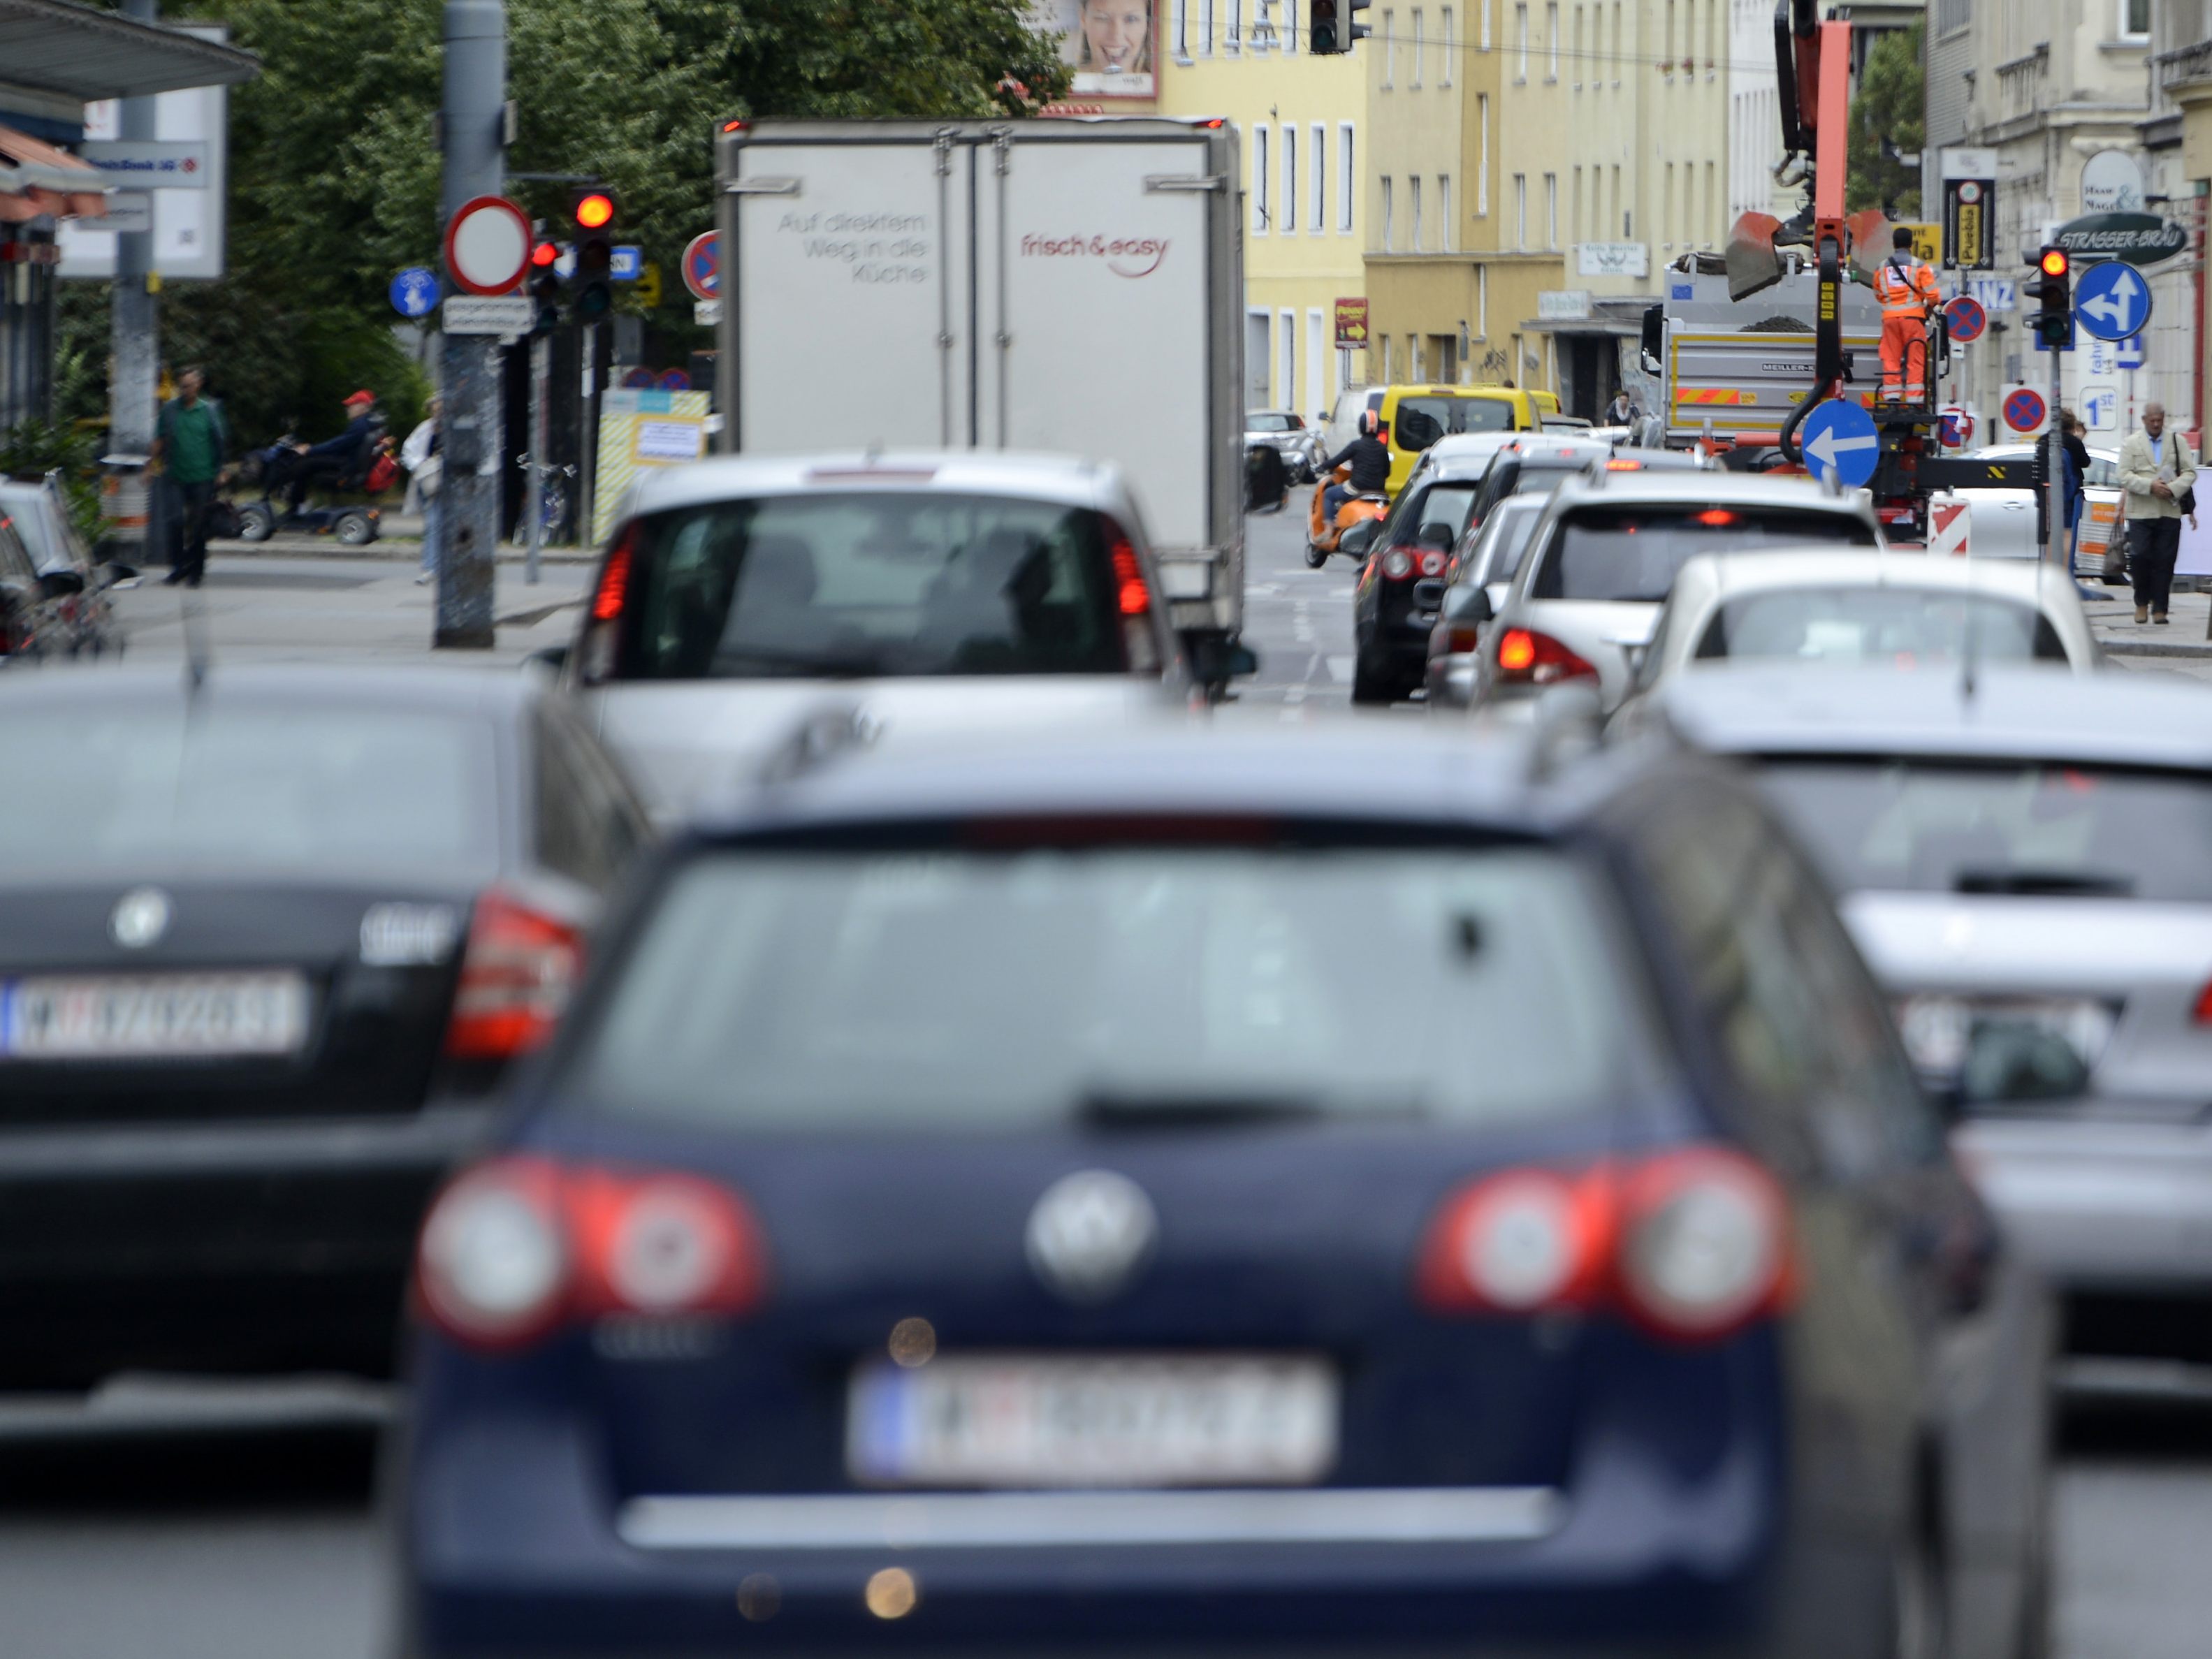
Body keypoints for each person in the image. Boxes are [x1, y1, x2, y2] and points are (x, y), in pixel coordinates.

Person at [2118, 402, 2199, 624]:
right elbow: (2123, 475)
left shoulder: (2177, 441)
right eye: (2151, 420)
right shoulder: (2131, 443)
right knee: (2140, 557)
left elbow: (2190, 472)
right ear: (2144, 420)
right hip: (2140, 512)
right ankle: (2142, 603)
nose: (2155, 424)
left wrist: (2172, 489)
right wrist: (2149, 486)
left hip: (2168, 511)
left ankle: (2161, 609)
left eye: (2159, 420)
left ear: (2164, 419)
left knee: (2165, 560)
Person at [151, 367, 228, 588]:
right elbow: (160, 439)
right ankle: (178, 567)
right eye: (184, 386)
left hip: (203, 476)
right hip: (176, 475)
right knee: (174, 522)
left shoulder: (209, 411)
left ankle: (196, 571)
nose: (187, 390)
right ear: (179, 386)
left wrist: (221, 469)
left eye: (191, 385)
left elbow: (219, 441)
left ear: (199, 385)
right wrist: (149, 466)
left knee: (198, 526)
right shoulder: (170, 410)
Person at [1871, 226, 1940, 403]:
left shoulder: (1881, 267)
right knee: (1916, 359)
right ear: (1911, 244)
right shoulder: (1920, 266)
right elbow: (1933, 296)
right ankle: (1914, 401)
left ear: (1894, 244)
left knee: (1891, 357)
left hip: (1890, 320)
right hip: (1913, 319)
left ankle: (1892, 397)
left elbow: (1878, 294)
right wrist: (1926, 307)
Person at [288, 388, 381, 510]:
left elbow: (337, 445)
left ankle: (296, 507)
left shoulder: (360, 426)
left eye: (351, 405)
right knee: (310, 462)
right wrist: (313, 450)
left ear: (362, 407)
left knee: (304, 465)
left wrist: (310, 449)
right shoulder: (366, 424)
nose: (348, 409)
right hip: (349, 463)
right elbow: (339, 444)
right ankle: (300, 504)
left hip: (346, 466)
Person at [401, 397, 443, 585]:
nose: (438, 414)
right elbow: (409, 451)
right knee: (433, 524)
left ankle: (439, 567)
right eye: (435, 410)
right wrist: (420, 467)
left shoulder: (458, 427)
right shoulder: (425, 428)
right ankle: (431, 567)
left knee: (443, 525)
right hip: (432, 482)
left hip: (453, 483)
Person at [1320, 410, 1390, 524]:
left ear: (1361, 427)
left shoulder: (1356, 445)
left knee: (1329, 494)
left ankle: (1329, 529)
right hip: (1379, 490)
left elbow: (1336, 461)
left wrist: (1322, 466)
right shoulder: (1383, 449)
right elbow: (1387, 473)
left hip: (1357, 488)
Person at [1070, 0, 1150, 75]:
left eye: (1131, 19)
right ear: (1083, 19)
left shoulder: (1160, 88)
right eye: (1103, 18)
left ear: (1148, 23)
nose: (1116, 35)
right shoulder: (1063, 86)